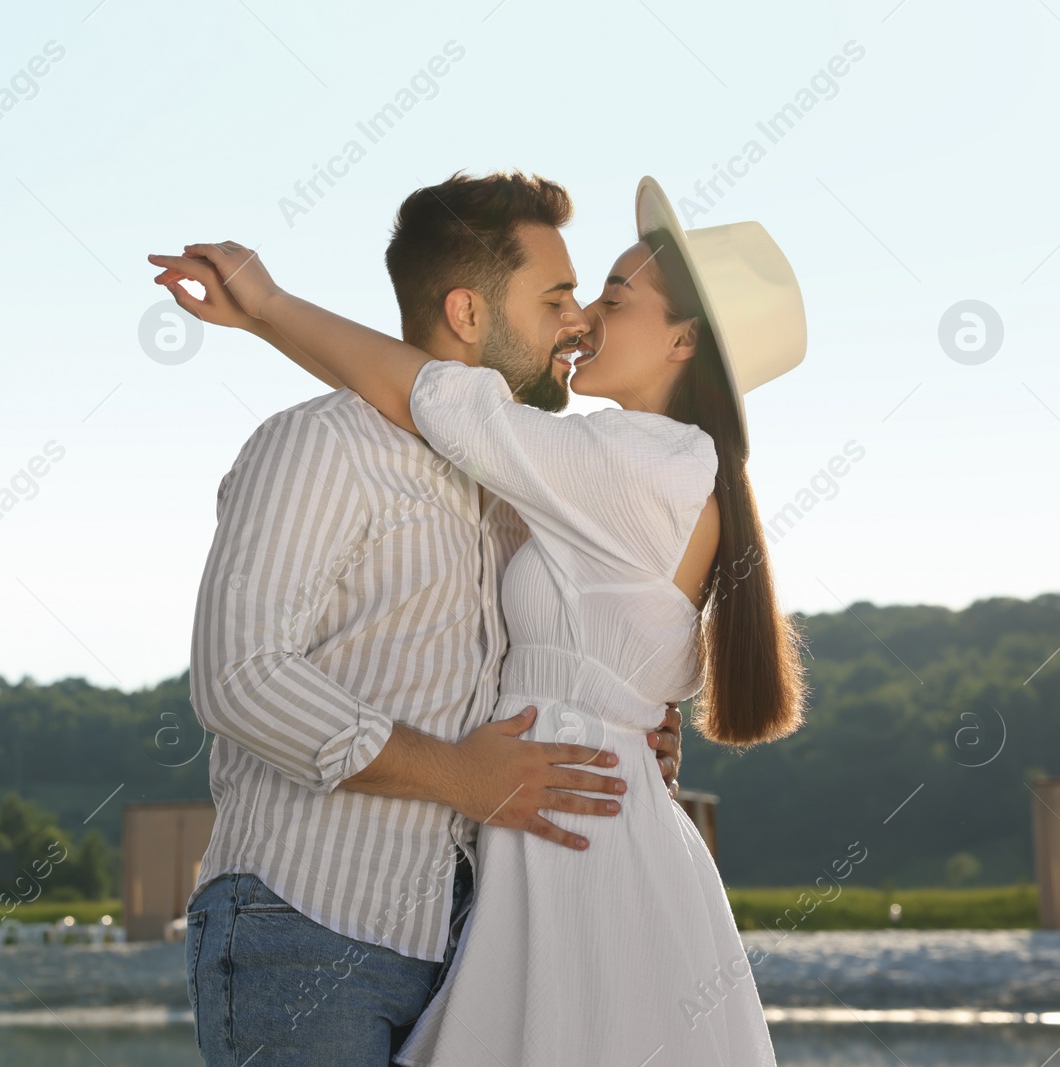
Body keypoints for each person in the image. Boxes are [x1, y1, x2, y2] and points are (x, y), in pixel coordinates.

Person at [154, 174, 809, 1065]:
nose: (579, 321)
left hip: (483, 908)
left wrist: (270, 306)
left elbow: (435, 400)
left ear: (684, 340)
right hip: (308, 914)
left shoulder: (573, 475)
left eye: (601, 296)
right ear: (468, 311)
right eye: (562, 296)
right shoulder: (344, 449)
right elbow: (239, 679)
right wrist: (498, 758)